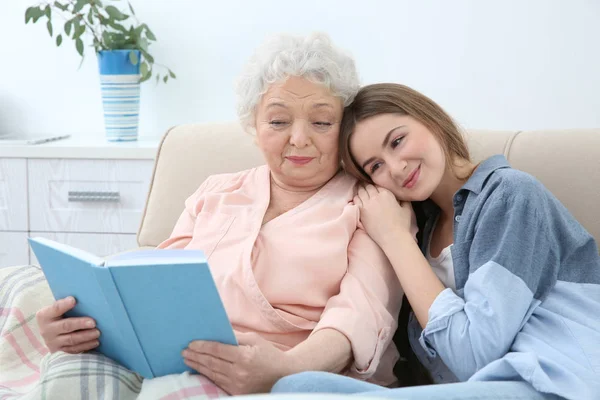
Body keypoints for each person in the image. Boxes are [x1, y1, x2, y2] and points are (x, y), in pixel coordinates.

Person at [34, 36, 409, 396]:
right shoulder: (215, 192)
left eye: (322, 122)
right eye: (278, 122)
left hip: (301, 378)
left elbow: (360, 314)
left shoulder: (370, 204)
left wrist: (285, 369)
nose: (298, 138)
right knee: (65, 375)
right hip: (182, 363)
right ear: (254, 127)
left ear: (344, 128)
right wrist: (81, 329)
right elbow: (154, 286)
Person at [271, 83, 600, 400]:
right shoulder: (421, 232)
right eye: (376, 166)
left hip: (551, 382)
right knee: (296, 387)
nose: (397, 168)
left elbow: (476, 354)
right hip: (477, 389)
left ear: (431, 120)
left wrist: (394, 238)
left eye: (397, 141)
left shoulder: (510, 194)